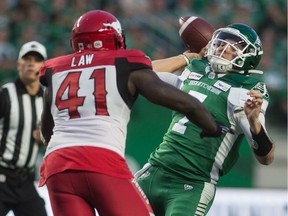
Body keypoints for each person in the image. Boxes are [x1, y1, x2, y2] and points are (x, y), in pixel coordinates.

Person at [38, 10, 230, 216]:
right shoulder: (124, 63)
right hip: (101, 158)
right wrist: (212, 127)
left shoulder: (55, 70)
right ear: (114, 38)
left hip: (57, 165)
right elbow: (186, 104)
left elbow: (47, 128)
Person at [136, 23, 275, 216]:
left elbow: (266, 158)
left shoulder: (246, 90)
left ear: (249, 57)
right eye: (222, 42)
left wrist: (254, 123)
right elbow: (140, 73)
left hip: (190, 185)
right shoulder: (196, 70)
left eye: (233, 45)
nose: (223, 48)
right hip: (155, 170)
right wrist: (185, 57)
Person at [0, 41, 47, 216]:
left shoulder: (47, 101)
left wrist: (42, 139)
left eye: (36, 60)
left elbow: (50, 142)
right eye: (27, 59)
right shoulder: (6, 94)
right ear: (19, 64)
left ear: (43, 66)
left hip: (25, 180)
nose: (31, 63)